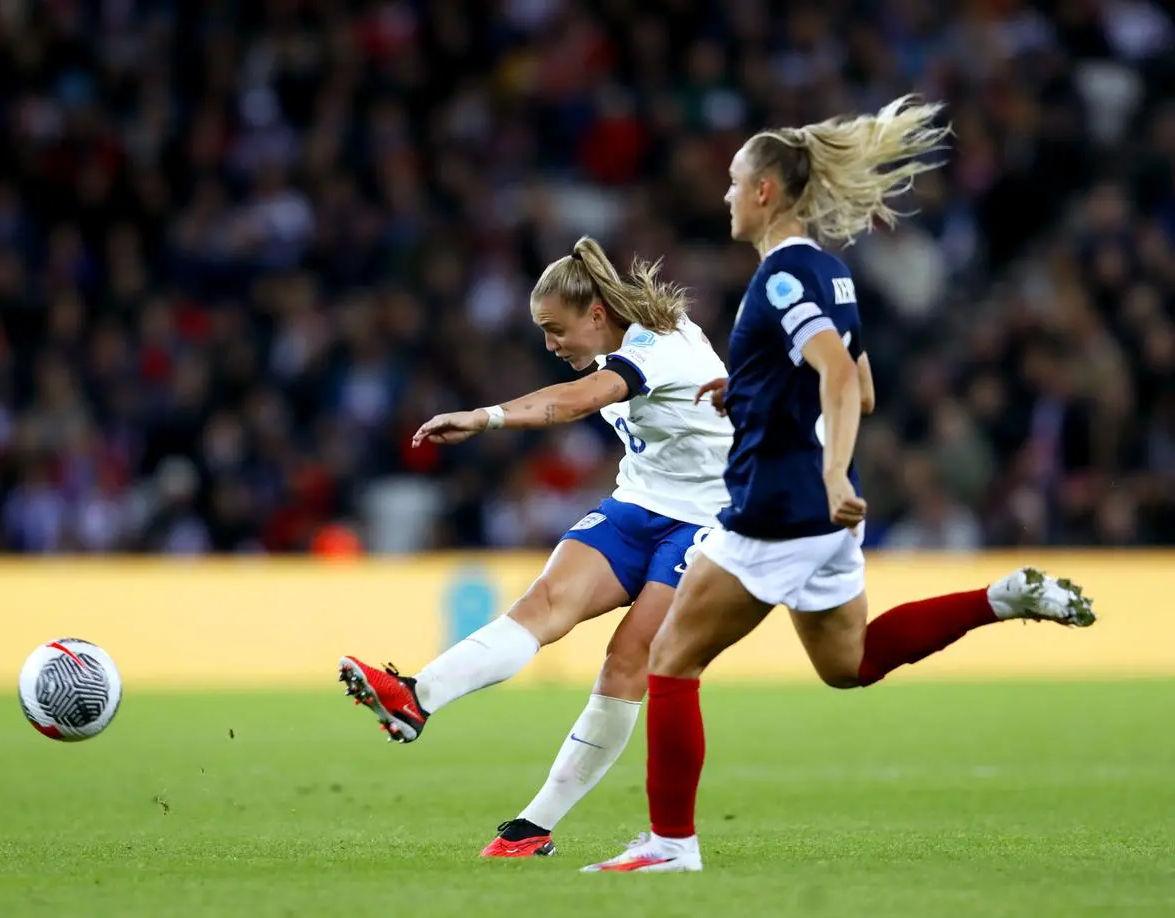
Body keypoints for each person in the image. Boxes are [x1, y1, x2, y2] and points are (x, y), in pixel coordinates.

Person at [581, 95, 1096, 874]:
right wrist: (749, 392)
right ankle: (1001, 599)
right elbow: (864, 383)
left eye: (732, 182)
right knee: (847, 663)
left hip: (780, 506)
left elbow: (834, 378)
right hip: (824, 515)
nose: (723, 196)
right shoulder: (832, 272)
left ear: (764, 192)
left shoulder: (784, 279)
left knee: (671, 661)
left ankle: (670, 845)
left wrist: (824, 468)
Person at [338, 235, 734, 858]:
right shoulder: (625, 346)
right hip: (638, 505)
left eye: (556, 330)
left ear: (597, 315)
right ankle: (416, 697)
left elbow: (577, 402)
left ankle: (537, 823)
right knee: (544, 602)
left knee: (627, 657)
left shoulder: (658, 349)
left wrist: (485, 416)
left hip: (711, 519)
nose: (550, 345)